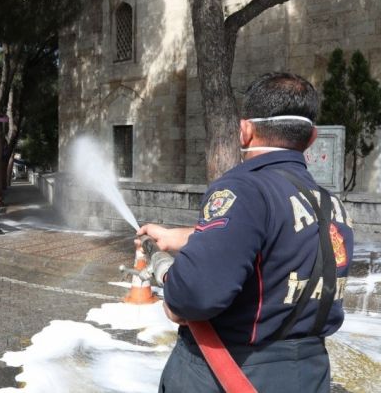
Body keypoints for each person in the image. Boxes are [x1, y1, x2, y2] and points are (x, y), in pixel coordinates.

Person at [137, 73, 354, 393]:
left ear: (245, 131)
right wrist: (182, 236)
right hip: (309, 374)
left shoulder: (243, 189)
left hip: (231, 370)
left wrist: (170, 283)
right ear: (311, 138)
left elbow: (192, 297)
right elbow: (276, 243)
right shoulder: (329, 205)